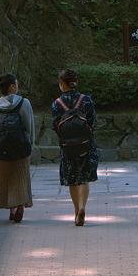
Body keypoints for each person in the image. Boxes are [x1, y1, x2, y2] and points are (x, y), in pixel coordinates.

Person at [52, 68, 98, 226]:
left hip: (68, 146)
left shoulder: (57, 104)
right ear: (75, 82)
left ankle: (76, 210)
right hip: (86, 145)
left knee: (72, 179)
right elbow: (92, 122)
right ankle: (83, 207)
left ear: (62, 83)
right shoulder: (86, 100)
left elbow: (55, 125)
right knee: (84, 178)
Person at [0, 73, 34, 222]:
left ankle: (11, 211)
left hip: (4, 149)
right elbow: (30, 126)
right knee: (20, 176)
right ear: (12, 86)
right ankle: (20, 204)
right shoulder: (24, 103)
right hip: (21, 146)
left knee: (6, 178)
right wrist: (30, 144)